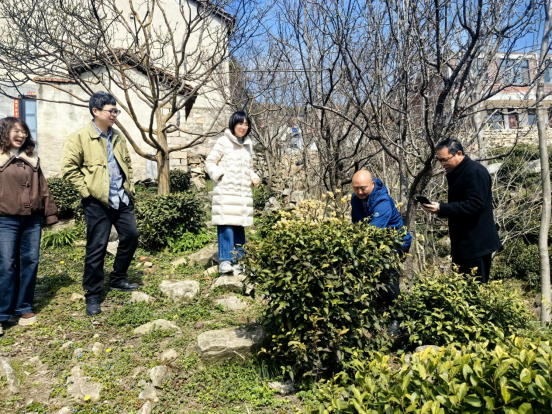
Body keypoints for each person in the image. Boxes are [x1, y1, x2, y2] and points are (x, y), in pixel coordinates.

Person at [62, 91, 139, 316]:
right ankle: (93, 293)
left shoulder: (118, 136)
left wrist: (129, 188)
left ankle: (118, 278)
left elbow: (127, 164)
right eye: (111, 110)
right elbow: (69, 169)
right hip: (97, 201)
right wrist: (87, 193)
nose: (114, 114)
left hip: (121, 198)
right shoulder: (79, 137)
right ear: (95, 111)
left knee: (131, 237)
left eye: (116, 111)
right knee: (97, 247)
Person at [0, 117, 58, 335]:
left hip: (31, 220)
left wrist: (50, 214)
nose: (21, 135)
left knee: (30, 261)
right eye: (16, 130)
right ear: (4, 132)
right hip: (5, 220)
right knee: (6, 264)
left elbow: (43, 188)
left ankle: (23, 307)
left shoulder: (31, 158)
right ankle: (1, 313)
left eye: (24, 131)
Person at [422, 138, 501, 283]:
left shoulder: (475, 172)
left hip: (476, 244)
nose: (442, 164)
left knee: (475, 289)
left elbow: (475, 204)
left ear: (459, 153)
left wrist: (441, 208)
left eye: (445, 160)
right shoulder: (459, 171)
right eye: (440, 160)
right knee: (460, 289)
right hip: (463, 244)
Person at [350, 170, 412, 335]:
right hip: (375, 243)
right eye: (356, 188)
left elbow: (373, 230)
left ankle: (398, 319)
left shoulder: (382, 201)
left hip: (396, 242)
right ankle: (380, 312)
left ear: (372, 184)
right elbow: (357, 224)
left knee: (389, 275)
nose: (359, 192)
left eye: (363, 188)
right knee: (373, 275)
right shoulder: (355, 198)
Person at [205, 111, 261, 274]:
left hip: (242, 193)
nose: (244, 127)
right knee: (226, 226)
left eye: (246, 124)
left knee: (239, 227)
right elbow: (210, 162)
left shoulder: (248, 145)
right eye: (240, 123)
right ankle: (225, 261)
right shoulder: (223, 141)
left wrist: (254, 177)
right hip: (226, 191)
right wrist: (220, 175)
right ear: (233, 124)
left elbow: (248, 168)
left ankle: (239, 260)